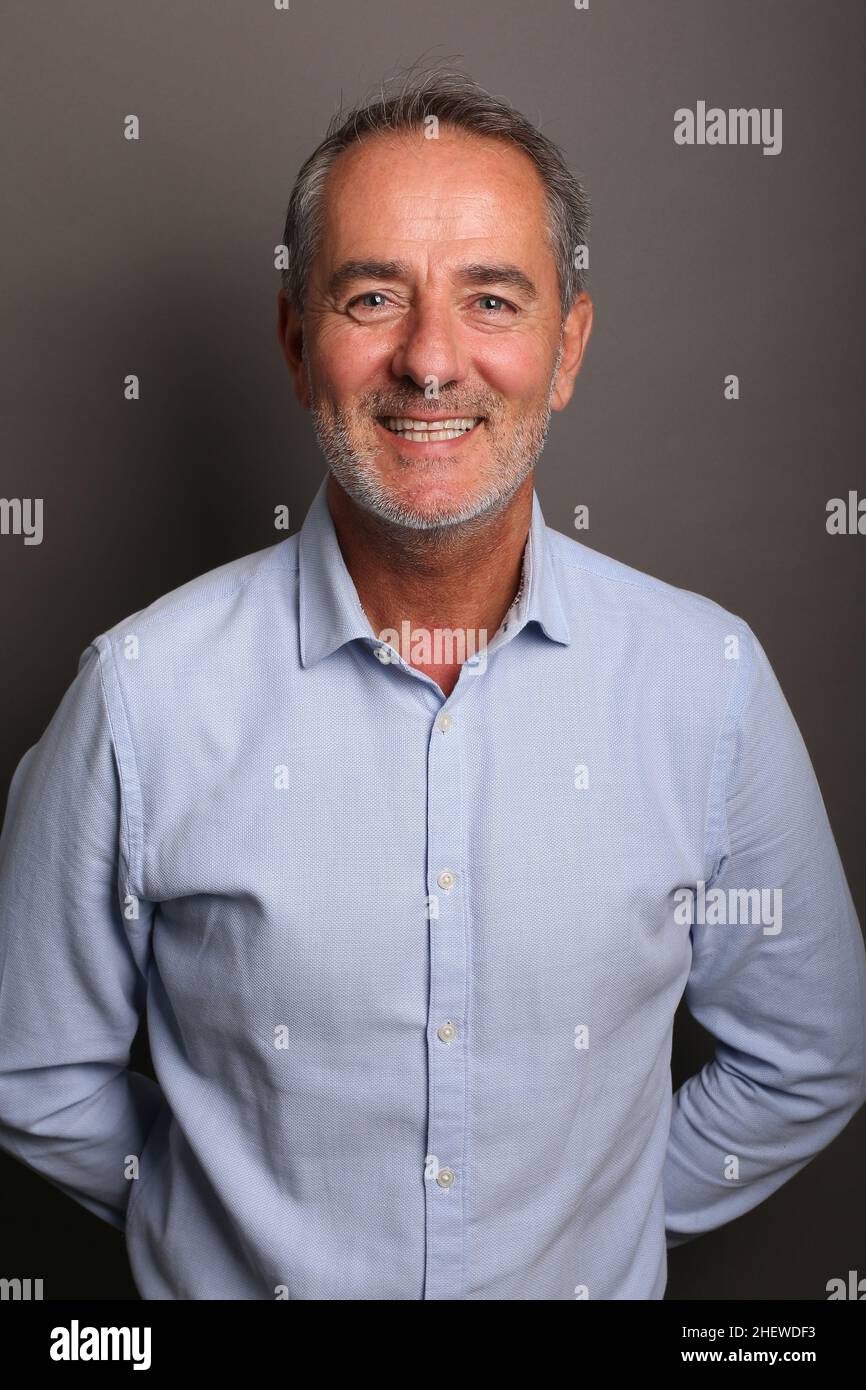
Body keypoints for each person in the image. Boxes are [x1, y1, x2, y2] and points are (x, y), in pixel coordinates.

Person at [1, 68, 864, 1301]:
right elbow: (31, 1073)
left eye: (491, 299)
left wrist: (590, 1230)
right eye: (371, 297)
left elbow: (806, 1058)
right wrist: (211, 1225)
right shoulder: (139, 698)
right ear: (298, 344)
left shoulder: (705, 683)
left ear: (564, 346)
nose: (428, 361)